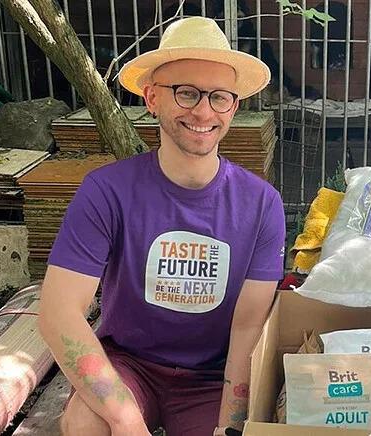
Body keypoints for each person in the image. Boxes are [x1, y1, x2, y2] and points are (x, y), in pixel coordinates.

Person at [38, 16, 285, 436]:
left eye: (219, 97)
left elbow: (247, 330)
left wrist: (230, 426)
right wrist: (126, 420)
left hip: (212, 379)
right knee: (85, 422)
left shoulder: (262, 205)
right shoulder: (107, 191)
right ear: (152, 98)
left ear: (234, 106)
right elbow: (58, 313)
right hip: (129, 368)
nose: (203, 111)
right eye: (186, 93)